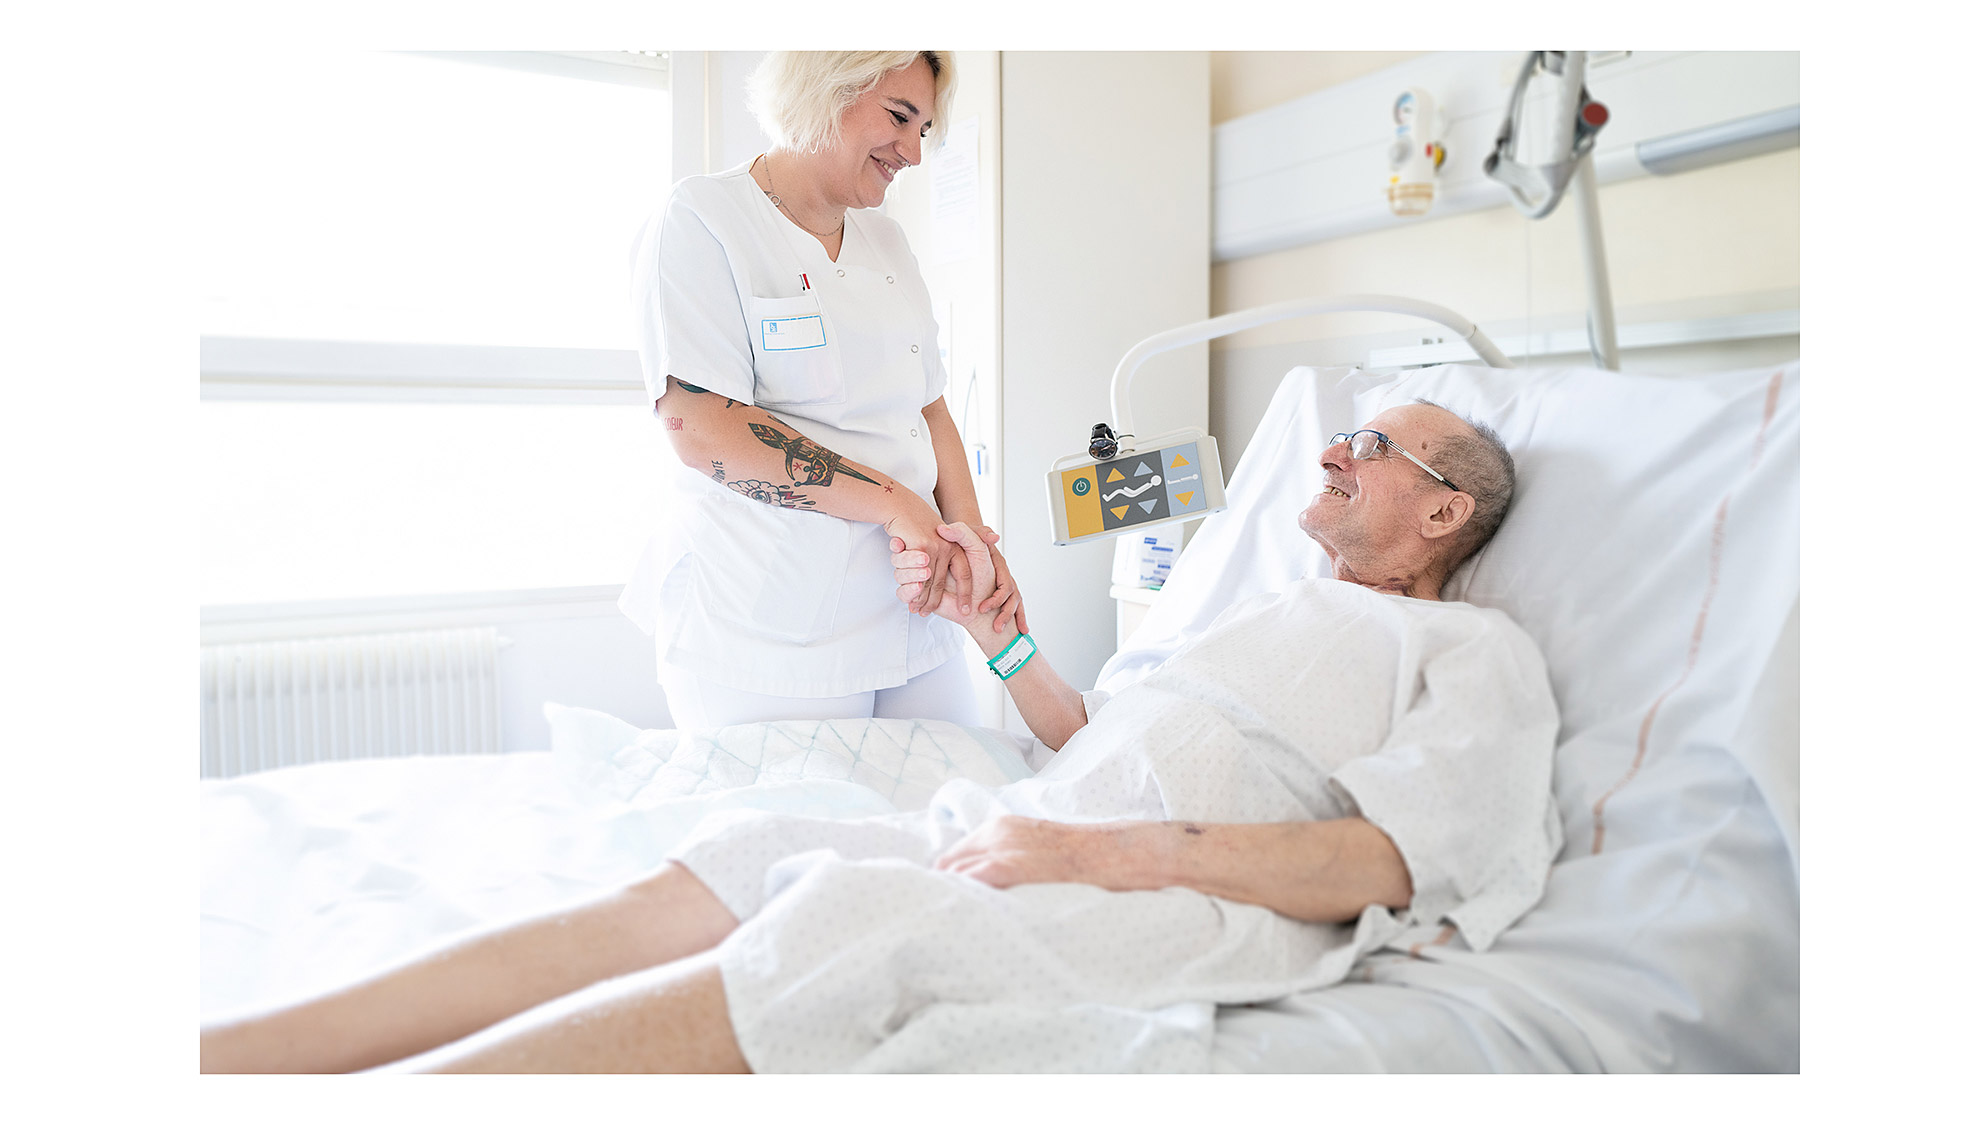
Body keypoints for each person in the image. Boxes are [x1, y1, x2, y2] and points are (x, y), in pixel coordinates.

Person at [201, 403, 1562, 1074]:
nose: (1330, 453)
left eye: (1373, 443)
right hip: (1049, 824)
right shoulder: (1261, 609)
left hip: (1185, 894)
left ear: (1446, 514)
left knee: (859, 924)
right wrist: (1003, 641)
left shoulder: (1470, 652)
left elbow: (1387, 859)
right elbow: (1096, 736)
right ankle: (247, 1055)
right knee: (744, 850)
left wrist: (1109, 851)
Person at [618, 50, 1022, 731]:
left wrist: (972, 542)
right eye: (899, 118)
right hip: (768, 627)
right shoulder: (704, 219)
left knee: (953, 804)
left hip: (909, 610)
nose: (912, 154)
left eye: (922, 130)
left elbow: (930, 409)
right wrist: (895, 502)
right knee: (806, 827)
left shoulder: (888, 242)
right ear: (826, 88)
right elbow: (702, 430)